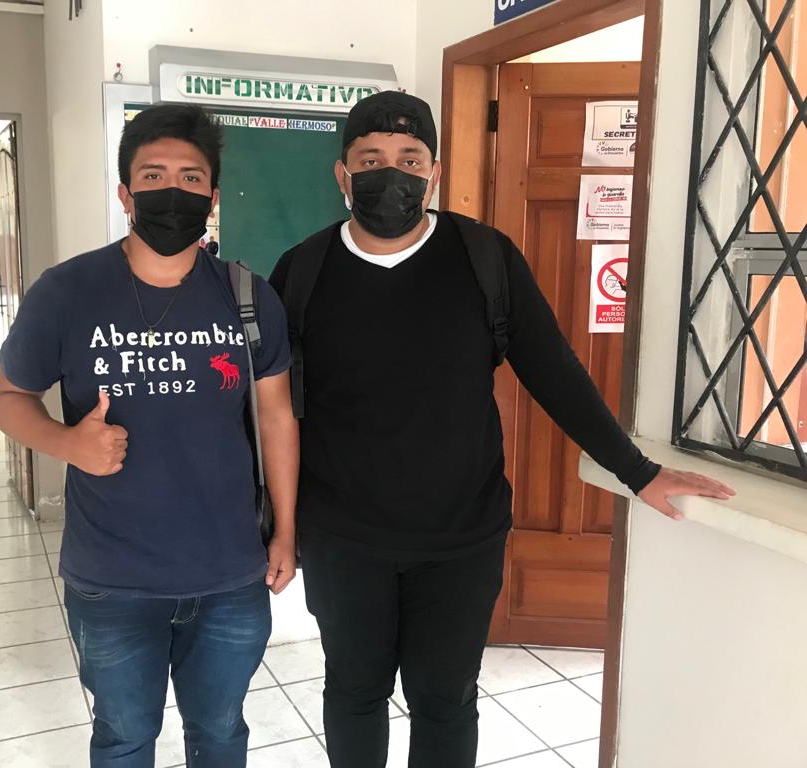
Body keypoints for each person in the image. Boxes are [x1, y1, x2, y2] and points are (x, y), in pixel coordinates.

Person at [268, 91, 735, 768]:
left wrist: (638, 472)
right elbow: (271, 409)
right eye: (369, 160)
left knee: (445, 699)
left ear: (434, 173)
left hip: (461, 538)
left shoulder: (484, 257)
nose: (389, 173)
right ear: (342, 174)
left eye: (409, 159)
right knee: (354, 691)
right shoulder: (302, 270)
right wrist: (277, 527)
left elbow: (555, 373)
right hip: (343, 538)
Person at [0, 103, 299, 768]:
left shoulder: (249, 297)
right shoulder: (67, 292)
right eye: (153, 176)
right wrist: (67, 444)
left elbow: (277, 418)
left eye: (191, 178)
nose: (172, 191)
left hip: (230, 573)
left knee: (221, 734)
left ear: (213, 198)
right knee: (125, 739)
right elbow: (6, 396)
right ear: (125, 193)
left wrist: (286, 532)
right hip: (112, 579)